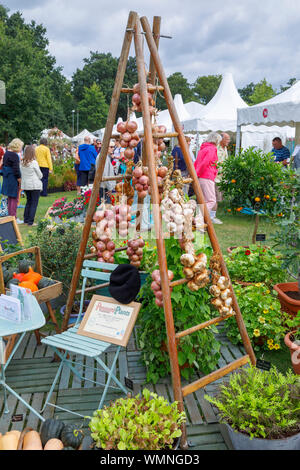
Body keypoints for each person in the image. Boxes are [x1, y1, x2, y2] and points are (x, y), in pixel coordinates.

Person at [194, 132, 222, 224]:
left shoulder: (203, 148)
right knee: (211, 200)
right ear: (216, 140)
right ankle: (199, 218)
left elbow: (197, 162)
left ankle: (200, 218)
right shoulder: (212, 149)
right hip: (207, 176)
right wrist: (197, 173)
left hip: (201, 177)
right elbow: (205, 163)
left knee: (204, 200)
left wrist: (196, 174)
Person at [1, 138, 24, 221]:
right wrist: (19, 179)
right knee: (14, 198)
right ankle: (13, 217)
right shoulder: (14, 156)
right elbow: (16, 169)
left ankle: (9, 216)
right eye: (21, 146)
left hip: (7, 178)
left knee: (10, 198)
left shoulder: (7, 153)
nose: (21, 148)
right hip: (13, 178)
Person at [20, 145, 43, 226]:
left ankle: (26, 220)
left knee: (28, 202)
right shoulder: (34, 163)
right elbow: (40, 175)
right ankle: (30, 221)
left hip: (26, 185)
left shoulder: (22, 162)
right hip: (34, 185)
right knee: (34, 203)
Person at [214, 132, 231, 224]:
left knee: (217, 197)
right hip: (215, 177)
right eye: (227, 139)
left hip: (221, 177)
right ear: (221, 139)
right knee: (214, 197)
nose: (229, 141)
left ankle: (211, 215)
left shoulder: (225, 148)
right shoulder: (215, 148)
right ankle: (211, 217)